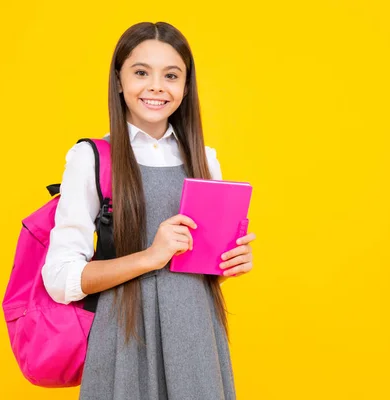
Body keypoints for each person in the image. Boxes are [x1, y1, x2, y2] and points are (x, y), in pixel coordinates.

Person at [41, 21, 256, 400]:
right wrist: (151, 256)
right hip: (124, 340)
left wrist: (228, 262)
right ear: (119, 81)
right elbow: (59, 278)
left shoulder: (205, 160)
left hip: (196, 340)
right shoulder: (91, 158)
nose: (157, 86)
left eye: (171, 75)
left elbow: (194, 273)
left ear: (185, 88)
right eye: (141, 72)